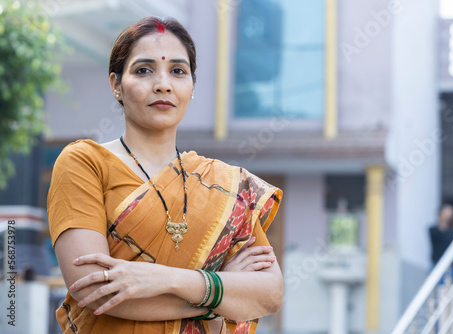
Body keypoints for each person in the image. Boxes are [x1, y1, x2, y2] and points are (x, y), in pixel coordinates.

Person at [47, 16, 283, 334]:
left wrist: (165, 279)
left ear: (192, 87)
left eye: (178, 71)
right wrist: (220, 295)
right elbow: (95, 288)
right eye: (143, 70)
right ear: (116, 84)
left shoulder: (224, 185)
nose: (163, 84)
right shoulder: (85, 163)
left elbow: (270, 293)